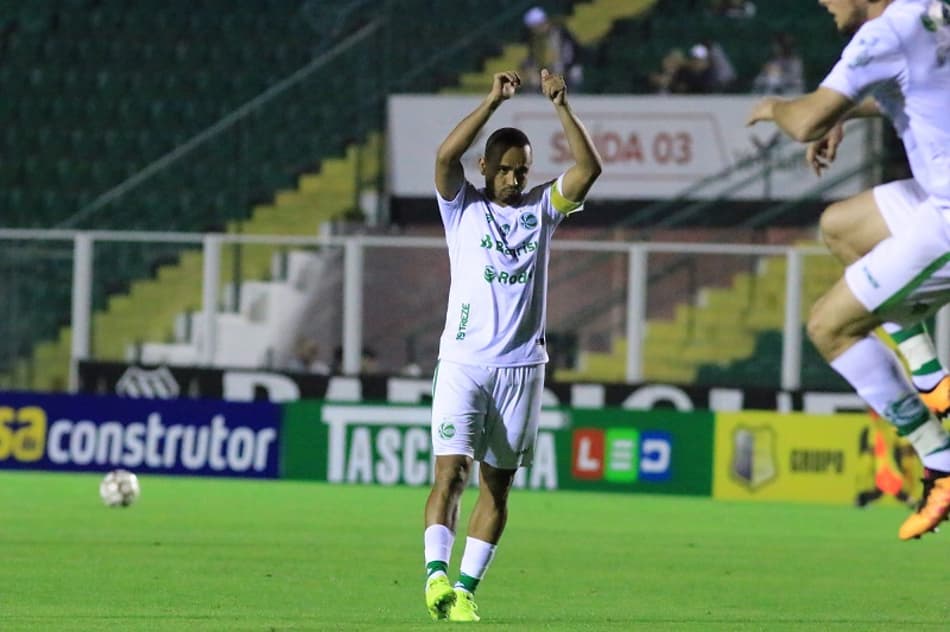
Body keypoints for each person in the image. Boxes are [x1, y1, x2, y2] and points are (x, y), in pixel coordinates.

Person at [747, 0, 950, 540]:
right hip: (936, 197)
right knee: (841, 226)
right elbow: (916, 91)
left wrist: (774, 107)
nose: (823, 1)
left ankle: (941, 461)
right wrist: (845, 114)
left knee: (828, 327)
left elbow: (804, 121)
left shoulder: (883, 34)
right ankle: (930, 375)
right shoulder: (932, 13)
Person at [423, 68, 602, 622]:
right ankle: (435, 577)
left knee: (495, 488)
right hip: (463, 362)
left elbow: (589, 169)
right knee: (450, 474)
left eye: (521, 170)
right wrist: (492, 102)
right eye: (503, 169)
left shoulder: (541, 209)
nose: (512, 179)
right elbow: (444, 157)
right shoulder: (461, 208)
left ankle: (465, 590)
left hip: (522, 368)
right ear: (484, 167)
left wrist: (561, 106)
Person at [520, 6, 584, 92]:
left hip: (564, 67)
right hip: (544, 70)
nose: (534, 30)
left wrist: (563, 69)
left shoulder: (561, 34)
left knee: (574, 73)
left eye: (535, 27)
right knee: (532, 78)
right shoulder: (533, 39)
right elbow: (530, 58)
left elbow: (570, 55)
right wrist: (532, 70)